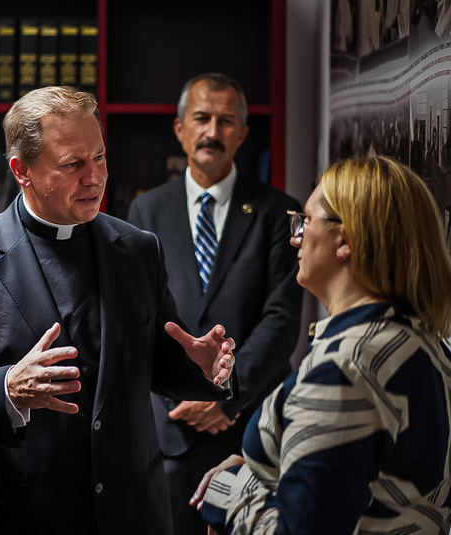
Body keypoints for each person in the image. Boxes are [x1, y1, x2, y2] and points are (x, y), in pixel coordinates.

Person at [0, 85, 237, 535]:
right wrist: (8, 388)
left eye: (100, 158)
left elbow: (158, 362)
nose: (94, 177)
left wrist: (206, 369)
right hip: (30, 513)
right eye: (73, 165)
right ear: (21, 170)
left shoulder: (138, 249)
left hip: (135, 511)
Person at [193, 156, 451, 535]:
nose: (295, 236)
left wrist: (227, 490)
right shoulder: (425, 343)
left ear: (344, 239)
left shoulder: (344, 369)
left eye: (306, 221)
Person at [127, 72, 303, 535]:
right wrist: (184, 392)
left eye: (226, 121)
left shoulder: (278, 212)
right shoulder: (145, 212)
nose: (212, 132)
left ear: (243, 133)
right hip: (171, 429)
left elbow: (282, 320)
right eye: (201, 118)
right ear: (180, 128)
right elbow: (137, 317)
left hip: (253, 428)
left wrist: (226, 396)